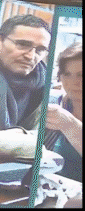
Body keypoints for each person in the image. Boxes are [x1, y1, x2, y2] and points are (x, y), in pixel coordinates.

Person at [0, 14, 51, 160]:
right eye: (22, 44)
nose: (31, 56)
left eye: (40, 50)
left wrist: (21, 135)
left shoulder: (42, 87)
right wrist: (22, 142)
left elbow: (43, 137)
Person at [46, 41, 82, 182]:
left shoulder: (63, 116)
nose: (74, 82)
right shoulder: (52, 103)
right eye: (67, 74)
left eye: (81, 74)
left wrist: (69, 124)